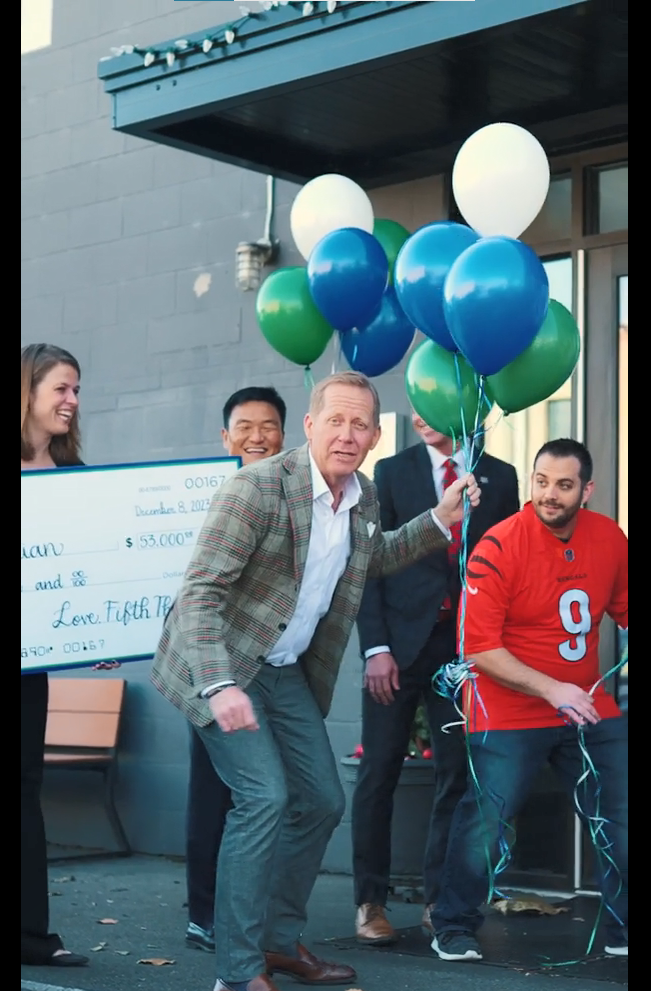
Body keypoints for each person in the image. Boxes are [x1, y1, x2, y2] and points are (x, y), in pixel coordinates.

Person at [151, 371, 481, 991]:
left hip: (284, 670)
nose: (348, 434)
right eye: (336, 420)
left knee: (324, 800)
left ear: (377, 436)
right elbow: (199, 594)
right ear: (309, 425)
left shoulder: (364, 496)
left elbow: (369, 558)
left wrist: (438, 520)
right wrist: (220, 686)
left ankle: (278, 942)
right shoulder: (257, 488)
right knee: (264, 798)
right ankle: (238, 971)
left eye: (361, 425)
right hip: (221, 664)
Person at [430, 439, 628, 963]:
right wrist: (552, 689)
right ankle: (452, 924)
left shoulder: (609, 536)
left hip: (586, 703)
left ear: (587, 489)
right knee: (486, 824)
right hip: (510, 707)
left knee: (622, 808)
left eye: (564, 485)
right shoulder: (499, 545)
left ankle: (623, 926)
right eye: (541, 481)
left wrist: (571, 693)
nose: (550, 494)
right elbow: (478, 648)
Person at [352, 414, 520, 945]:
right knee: (378, 771)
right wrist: (375, 648)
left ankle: (438, 899)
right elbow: (368, 563)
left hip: (465, 651)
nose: (420, 415)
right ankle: (369, 902)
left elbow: (508, 564)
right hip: (397, 651)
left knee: (456, 773)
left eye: (432, 401)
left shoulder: (501, 476)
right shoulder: (390, 471)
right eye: (415, 405)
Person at [185, 386, 287, 953]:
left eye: (268, 425)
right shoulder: (203, 495)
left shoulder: (293, 496)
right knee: (213, 794)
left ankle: (247, 916)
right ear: (225, 438)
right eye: (244, 426)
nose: (256, 436)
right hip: (213, 668)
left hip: (273, 669)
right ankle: (205, 913)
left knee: (266, 796)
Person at [21, 344, 90, 968]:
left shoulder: (78, 479)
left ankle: (32, 937)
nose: (72, 401)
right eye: (61, 389)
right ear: (29, 391)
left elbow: (89, 576)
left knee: (25, 793)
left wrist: (96, 634)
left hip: (29, 669)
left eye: (76, 390)